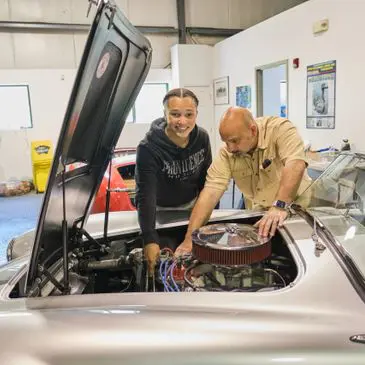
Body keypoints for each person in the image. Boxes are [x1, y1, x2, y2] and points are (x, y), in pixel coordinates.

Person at [176, 107, 311, 255]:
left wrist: (279, 206)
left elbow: (295, 164)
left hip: (298, 211)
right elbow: (210, 192)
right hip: (261, 214)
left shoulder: (280, 129)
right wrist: (189, 240)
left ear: (253, 130)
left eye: (234, 141)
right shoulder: (227, 153)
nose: (230, 148)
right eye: (226, 142)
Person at [135, 88, 212, 274]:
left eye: (189, 114)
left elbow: (207, 183)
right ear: (165, 114)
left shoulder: (202, 138)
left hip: (193, 210)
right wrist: (150, 239)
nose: (182, 121)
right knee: (166, 265)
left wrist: (208, 220)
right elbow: (146, 196)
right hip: (162, 214)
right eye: (175, 114)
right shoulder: (148, 148)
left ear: (196, 114)